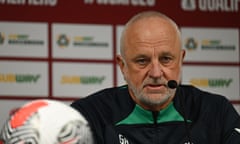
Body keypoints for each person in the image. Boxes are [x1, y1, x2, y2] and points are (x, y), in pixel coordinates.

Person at [71, 11, 240, 144]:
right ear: (123, 66)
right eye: (142, 61)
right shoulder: (89, 116)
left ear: (181, 60)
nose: (156, 73)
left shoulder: (216, 113)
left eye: (166, 59)